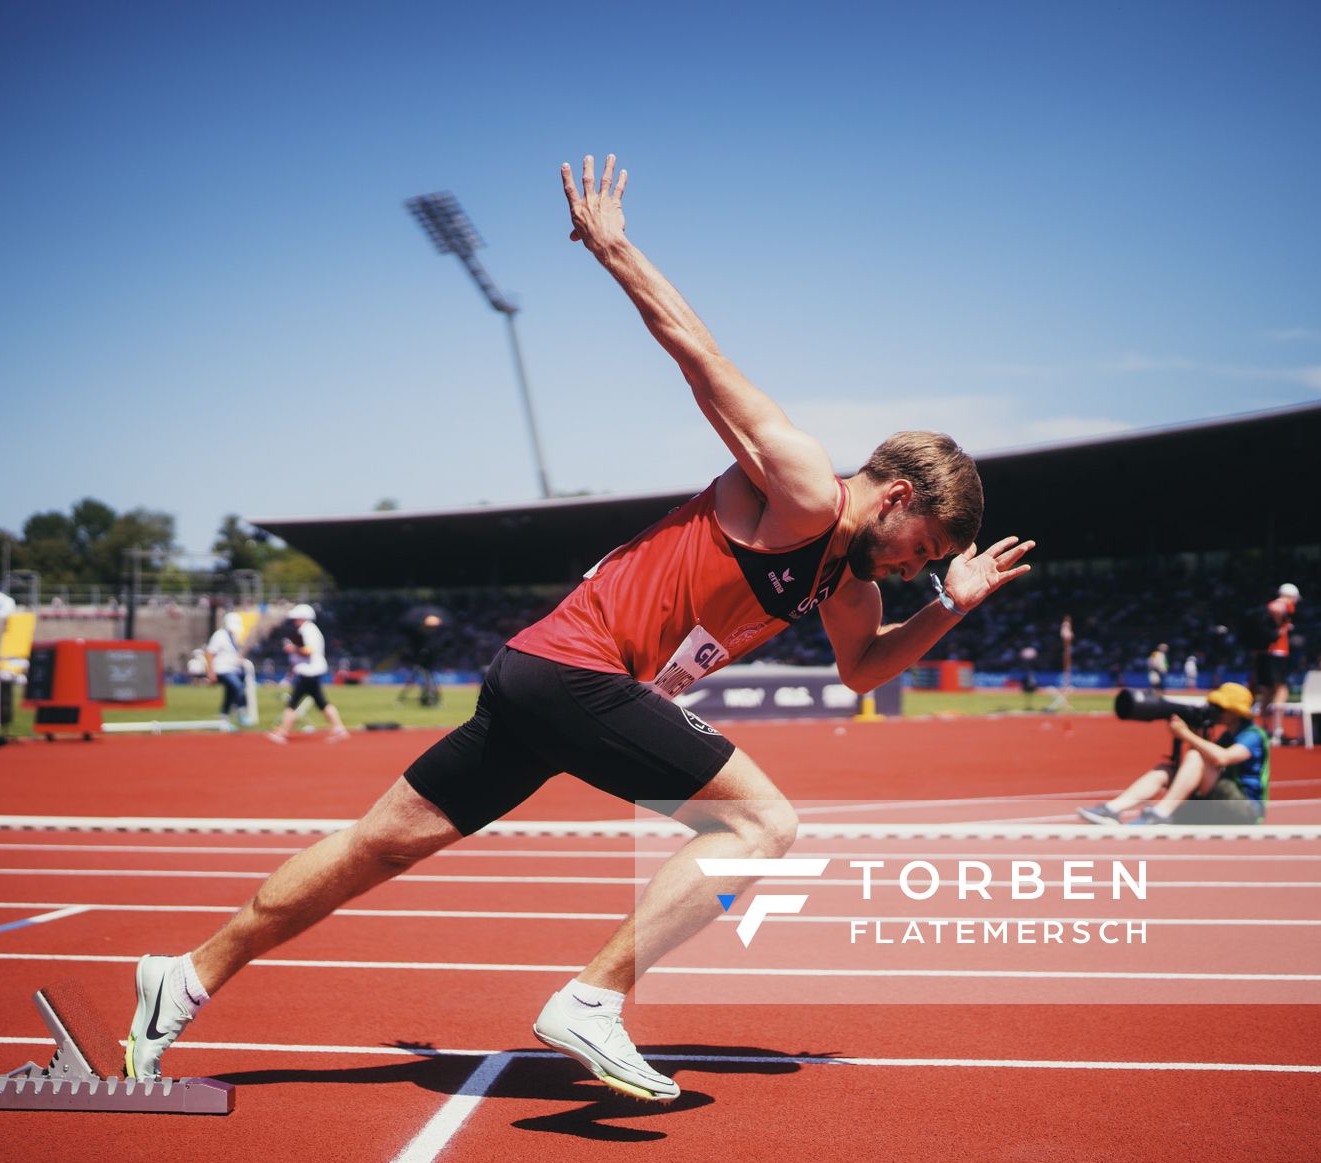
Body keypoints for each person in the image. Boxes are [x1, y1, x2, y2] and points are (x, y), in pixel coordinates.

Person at [125, 153, 1035, 1101]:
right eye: (920, 549)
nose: (913, 567)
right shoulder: (803, 487)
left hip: (548, 680)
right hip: (576, 671)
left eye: (925, 567)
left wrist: (946, 605)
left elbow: (863, 672)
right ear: (895, 496)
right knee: (764, 822)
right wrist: (615, 250)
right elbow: (700, 357)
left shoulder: (851, 583)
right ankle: (593, 1001)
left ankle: (181, 980)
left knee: (377, 846)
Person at [1076, 682, 1269, 826]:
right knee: (1166, 770)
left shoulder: (1253, 735)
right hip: (1222, 800)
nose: (1216, 712)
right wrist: (1193, 732)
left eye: (1220, 708)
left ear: (1235, 712)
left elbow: (1222, 758)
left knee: (1195, 756)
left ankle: (1160, 814)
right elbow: (1202, 766)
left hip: (1246, 810)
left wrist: (1186, 734)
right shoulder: (1229, 734)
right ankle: (1112, 810)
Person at [267, 603, 346, 742]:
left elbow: (308, 651)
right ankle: (339, 728)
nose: (294, 621)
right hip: (310, 671)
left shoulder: (307, 630)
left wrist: (293, 649)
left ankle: (282, 732)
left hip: (309, 672)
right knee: (321, 702)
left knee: (293, 703)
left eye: (296, 618)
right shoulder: (308, 630)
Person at [1252, 583, 1300, 744]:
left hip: (1265, 655)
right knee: (1281, 690)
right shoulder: (1282, 605)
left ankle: (1265, 729)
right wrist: (1281, 624)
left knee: (1267, 693)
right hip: (1276, 654)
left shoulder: (1270, 609)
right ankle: (1277, 732)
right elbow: (1276, 608)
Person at [206, 612, 250, 727]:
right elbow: (210, 653)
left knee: (230, 693)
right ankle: (241, 712)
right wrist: (211, 671)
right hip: (223, 669)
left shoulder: (233, 636)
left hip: (234, 669)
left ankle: (223, 718)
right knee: (238, 687)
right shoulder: (219, 635)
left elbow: (233, 653)